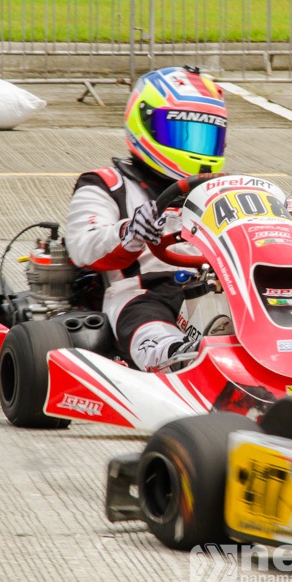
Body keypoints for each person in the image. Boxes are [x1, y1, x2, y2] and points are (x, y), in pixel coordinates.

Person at [66, 66, 227, 371]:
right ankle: (174, 357)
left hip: (214, 288)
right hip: (142, 293)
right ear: (145, 124)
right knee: (146, 316)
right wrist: (130, 232)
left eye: (206, 138)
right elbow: (82, 246)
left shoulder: (223, 190)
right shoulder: (107, 184)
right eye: (182, 134)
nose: (195, 148)